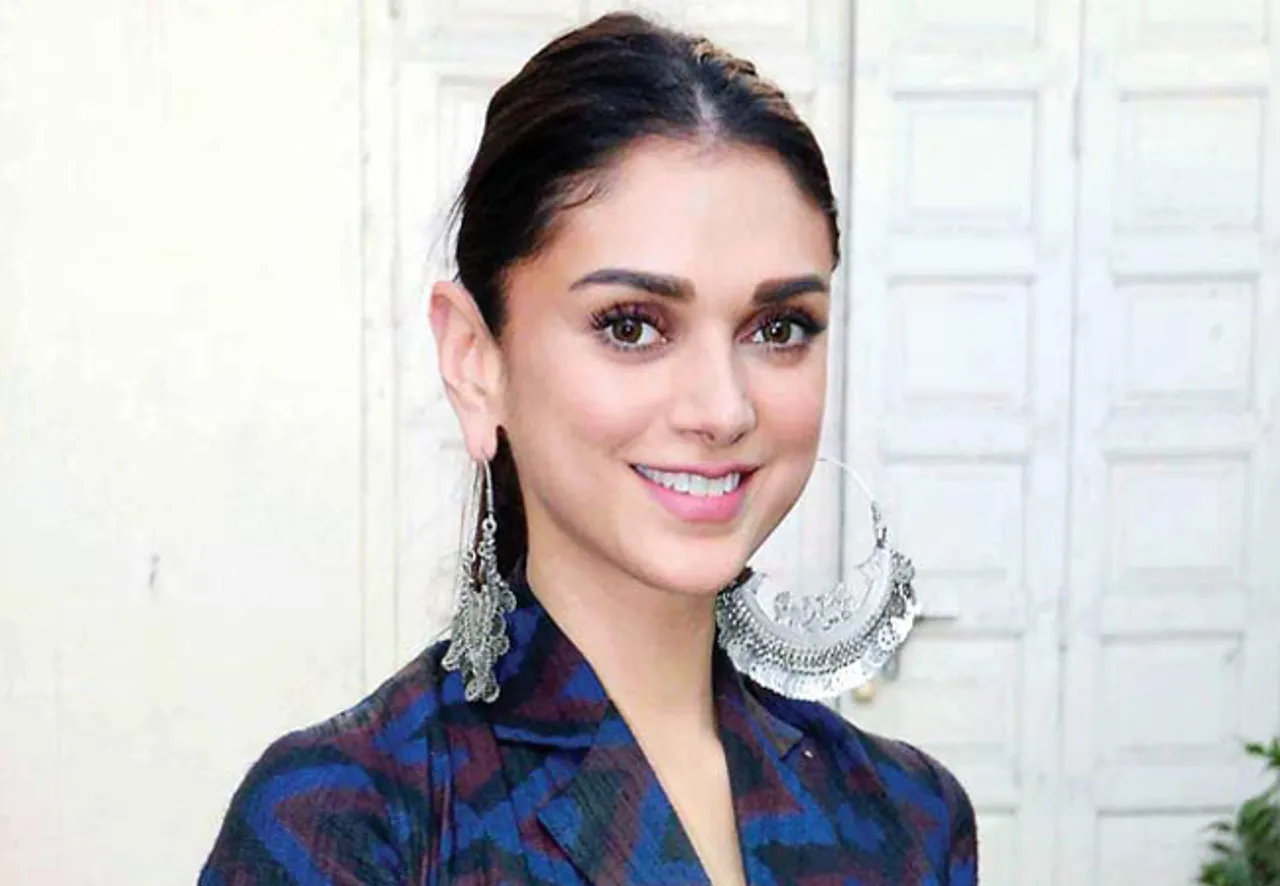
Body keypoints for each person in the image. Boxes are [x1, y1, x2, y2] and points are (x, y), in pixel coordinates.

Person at [199, 11, 978, 885]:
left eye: (779, 327)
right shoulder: (351, 823)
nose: (724, 408)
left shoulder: (908, 817)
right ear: (474, 359)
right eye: (632, 325)